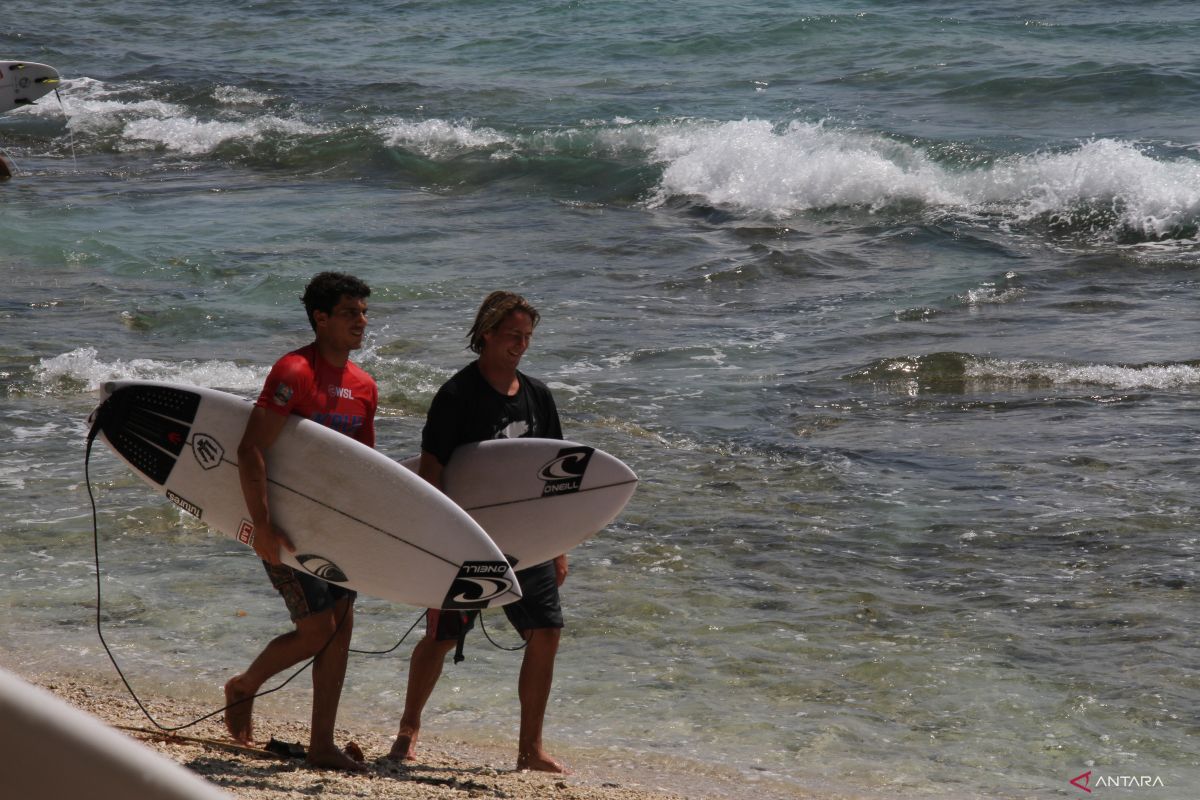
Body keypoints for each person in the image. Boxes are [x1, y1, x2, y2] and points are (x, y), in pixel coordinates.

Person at [387, 290, 570, 774]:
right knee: (442, 637)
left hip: (528, 542)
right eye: (513, 335)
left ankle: (530, 749)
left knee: (546, 632)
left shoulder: (538, 396)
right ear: (486, 333)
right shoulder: (457, 396)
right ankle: (409, 729)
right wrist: (442, 543)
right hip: (471, 542)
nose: (521, 345)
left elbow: (557, 478)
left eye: (528, 337)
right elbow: (431, 472)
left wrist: (560, 547)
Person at [223, 271, 377, 771]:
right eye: (350, 312)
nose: (362, 320)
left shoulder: (364, 386)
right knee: (316, 631)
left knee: (341, 630)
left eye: (363, 311)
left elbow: (363, 468)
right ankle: (245, 685)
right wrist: (262, 526)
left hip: (335, 527)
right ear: (321, 318)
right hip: (285, 525)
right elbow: (250, 449)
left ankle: (321, 745)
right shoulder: (294, 372)